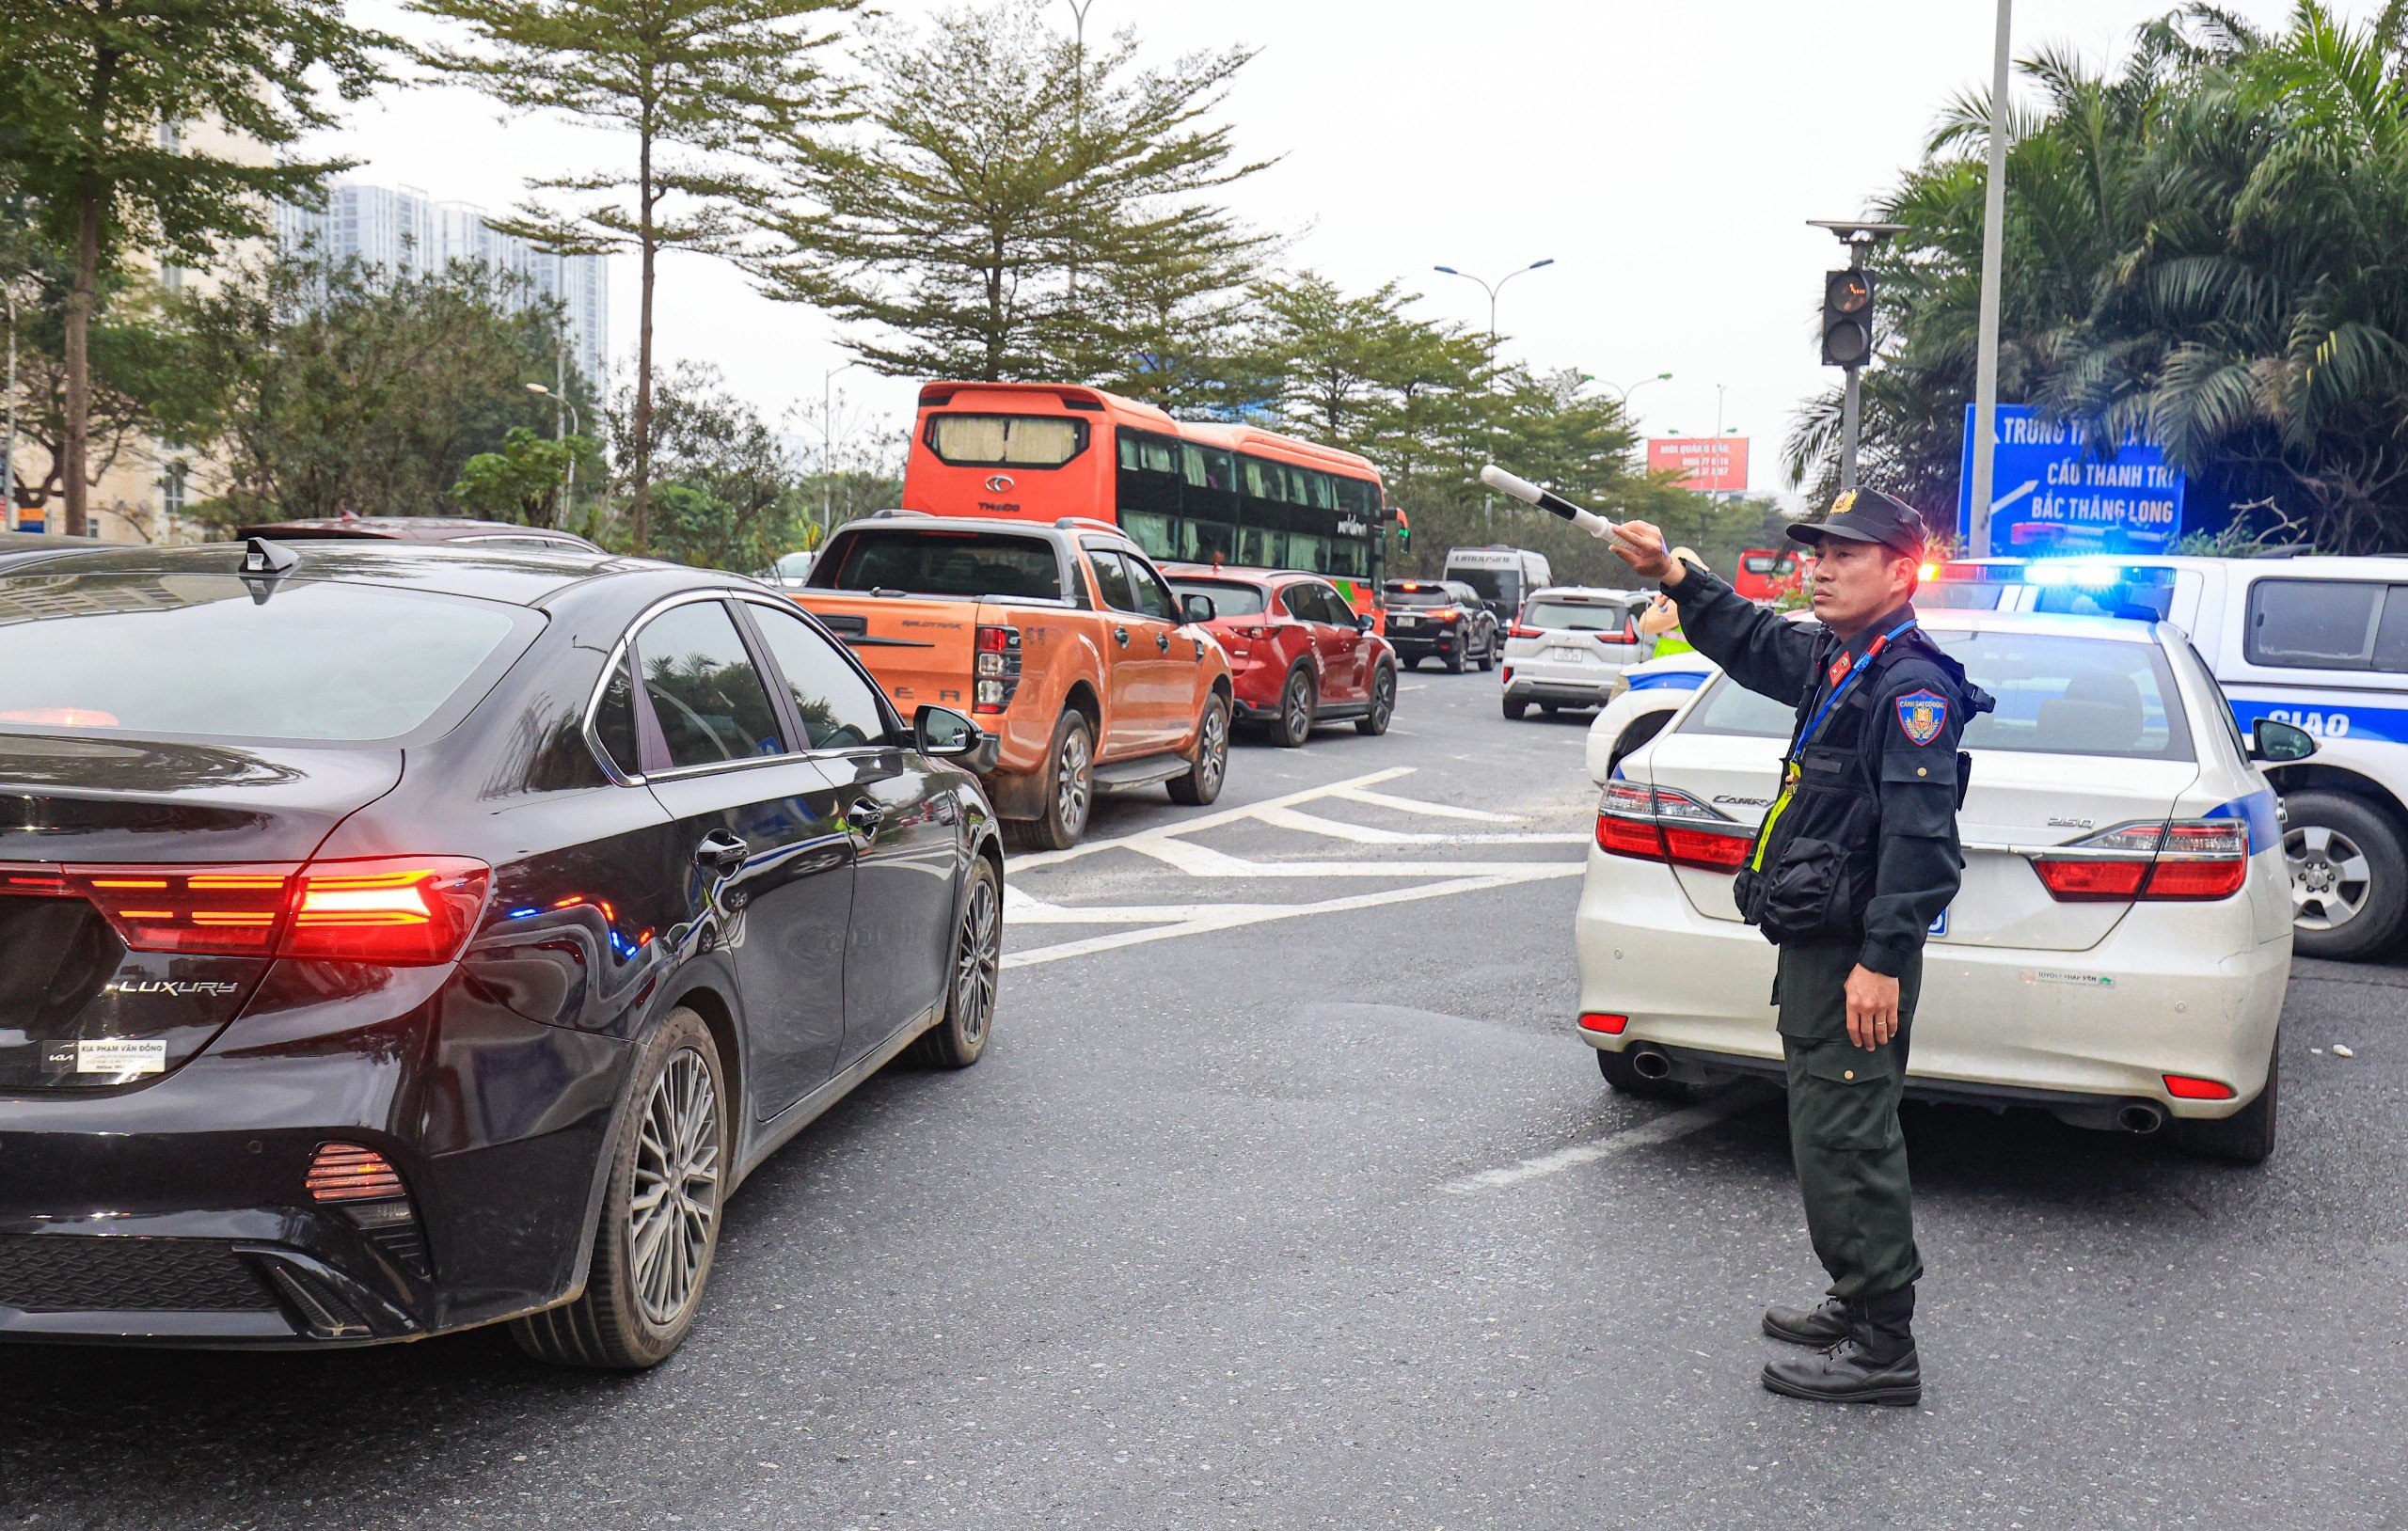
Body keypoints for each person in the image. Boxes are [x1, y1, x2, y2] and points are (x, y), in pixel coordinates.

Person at [1608, 488, 1989, 1408]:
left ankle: (1881, 1343)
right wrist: (1674, 571)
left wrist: (1880, 960)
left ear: (1901, 573)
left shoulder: (1908, 688)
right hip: (1818, 937)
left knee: (1849, 1130)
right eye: (1813, 552)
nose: (1817, 568)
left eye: (1843, 555)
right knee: (1825, 1126)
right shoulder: (1839, 657)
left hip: (1853, 949)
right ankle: (1853, 1297)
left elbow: (1922, 845)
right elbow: (1746, 637)